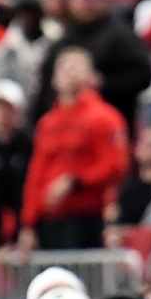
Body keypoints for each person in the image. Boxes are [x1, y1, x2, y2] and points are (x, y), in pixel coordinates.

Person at [23, 48, 132, 251]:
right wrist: (28, 224)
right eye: (63, 67)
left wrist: (76, 180)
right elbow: (36, 175)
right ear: (53, 78)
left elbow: (116, 166)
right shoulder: (47, 123)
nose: (69, 72)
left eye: (76, 66)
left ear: (91, 76)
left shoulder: (105, 118)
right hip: (49, 220)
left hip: (86, 218)